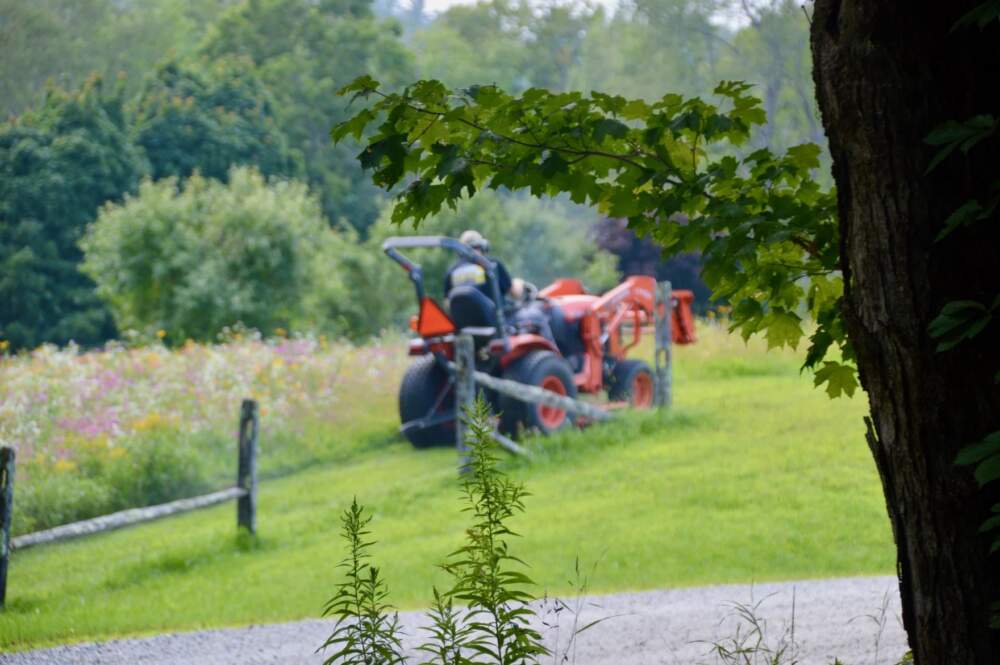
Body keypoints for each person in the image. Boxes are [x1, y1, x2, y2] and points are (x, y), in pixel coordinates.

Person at [443, 230, 518, 303]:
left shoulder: (452, 271)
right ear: (481, 246)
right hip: (492, 315)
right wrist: (520, 285)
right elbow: (514, 293)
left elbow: (447, 303)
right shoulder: (492, 264)